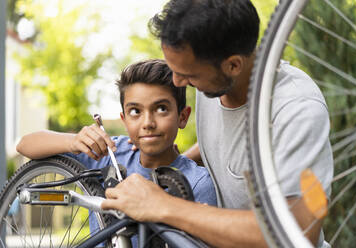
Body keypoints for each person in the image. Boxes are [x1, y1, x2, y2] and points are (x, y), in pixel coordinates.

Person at [101, 0, 334, 247]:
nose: (177, 82)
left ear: (233, 65)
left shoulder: (296, 110)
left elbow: (297, 231)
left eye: (188, 74)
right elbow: (228, 141)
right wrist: (173, 162)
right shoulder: (214, 82)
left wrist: (163, 205)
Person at [16, 59, 217, 247]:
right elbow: (25, 144)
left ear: (182, 117)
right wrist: (73, 141)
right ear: (124, 119)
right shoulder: (110, 152)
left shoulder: (197, 183)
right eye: (135, 111)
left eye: (161, 109)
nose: (148, 123)